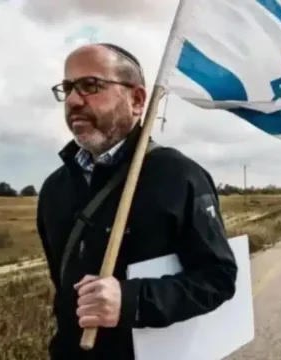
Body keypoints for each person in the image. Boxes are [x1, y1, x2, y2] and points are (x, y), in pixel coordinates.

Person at [37, 44, 237, 359]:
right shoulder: (54, 189)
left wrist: (132, 301)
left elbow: (218, 279)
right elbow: (62, 288)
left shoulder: (179, 176)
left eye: (91, 85)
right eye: (67, 88)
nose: (74, 100)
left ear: (137, 100)